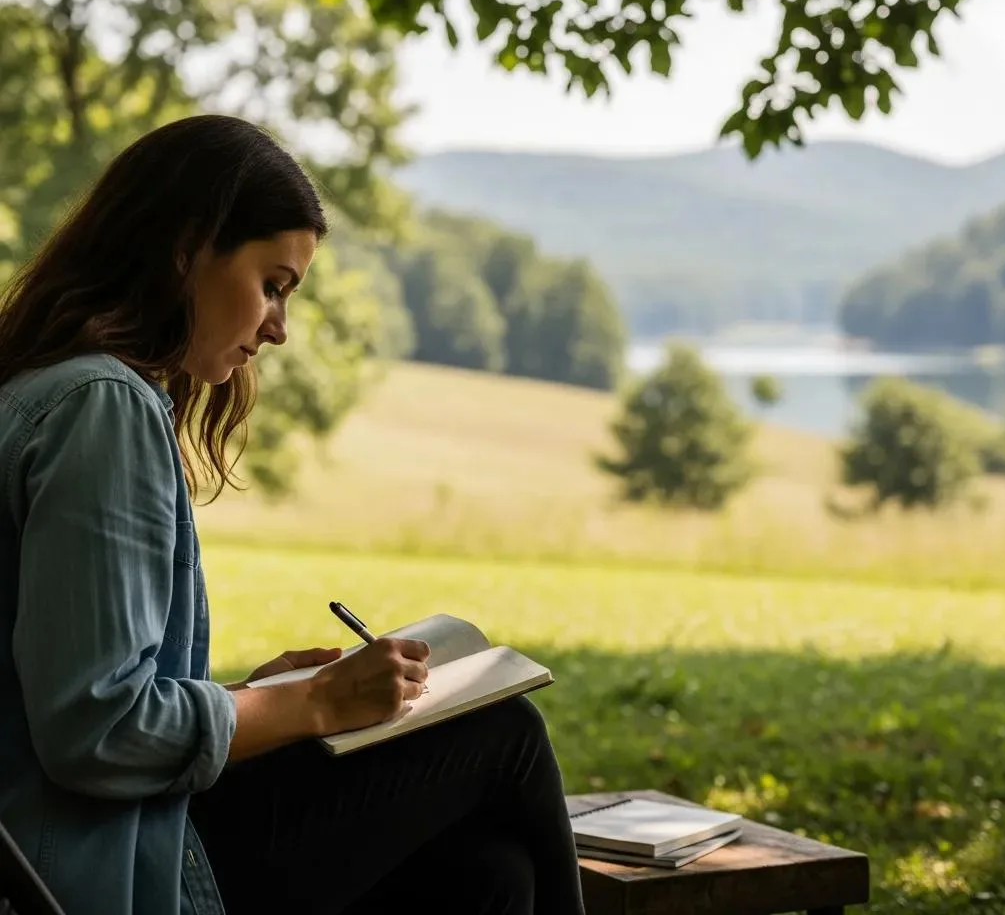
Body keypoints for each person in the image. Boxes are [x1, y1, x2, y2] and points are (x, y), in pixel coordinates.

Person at [0, 115, 587, 915]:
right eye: (272, 284)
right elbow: (97, 732)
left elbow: (72, 693)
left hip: (87, 843)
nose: (278, 328)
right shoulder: (103, 407)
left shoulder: (38, 395)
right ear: (185, 248)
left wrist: (249, 696)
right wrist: (315, 702)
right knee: (504, 735)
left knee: (492, 876)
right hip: (101, 874)